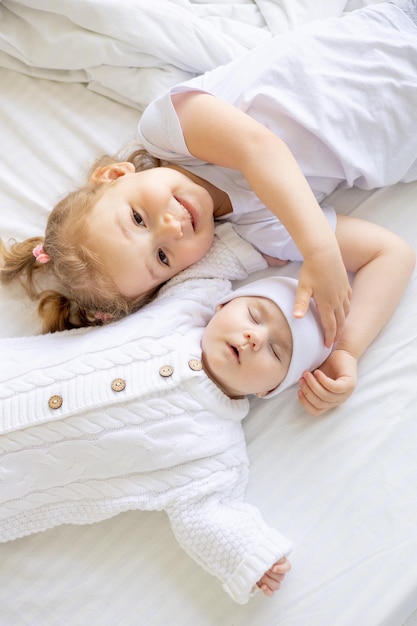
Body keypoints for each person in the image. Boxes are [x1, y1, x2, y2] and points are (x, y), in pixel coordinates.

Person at [2, 1, 416, 341]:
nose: (170, 227)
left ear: (115, 176)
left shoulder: (170, 129)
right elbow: (389, 254)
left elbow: (259, 148)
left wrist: (320, 251)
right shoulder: (263, 227)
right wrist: (347, 349)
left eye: (138, 218)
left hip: (393, 39)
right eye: (163, 256)